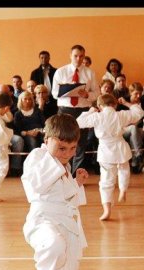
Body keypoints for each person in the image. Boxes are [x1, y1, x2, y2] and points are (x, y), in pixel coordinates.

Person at [21, 114, 89, 270]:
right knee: (54, 246)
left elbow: (67, 198)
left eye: (72, 149)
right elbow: (36, 187)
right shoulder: (38, 157)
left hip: (68, 225)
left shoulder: (64, 164)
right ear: (47, 139)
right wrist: (58, 164)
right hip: (43, 222)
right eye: (61, 147)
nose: (66, 153)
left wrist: (77, 184)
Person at [76, 94, 144, 221]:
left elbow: (79, 122)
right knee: (124, 169)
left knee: (106, 180)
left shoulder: (97, 116)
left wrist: (91, 110)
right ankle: (123, 190)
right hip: (121, 147)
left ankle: (107, 209)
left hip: (106, 150)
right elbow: (139, 112)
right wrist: (127, 103)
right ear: (115, 104)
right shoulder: (121, 115)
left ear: (100, 106)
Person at [52, 44, 99, 175]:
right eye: (75, 56)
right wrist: (67, 91)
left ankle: (73, 177)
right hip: (65, 109)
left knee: (80, 144)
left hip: (82, 110)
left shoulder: (90, 73)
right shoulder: (61, 71)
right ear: (70, 56)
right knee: (61, 141)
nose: (78, 59)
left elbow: (97, 93)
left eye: (81, 56)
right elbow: (54, 93)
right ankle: (59, 173)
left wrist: (87, 95)